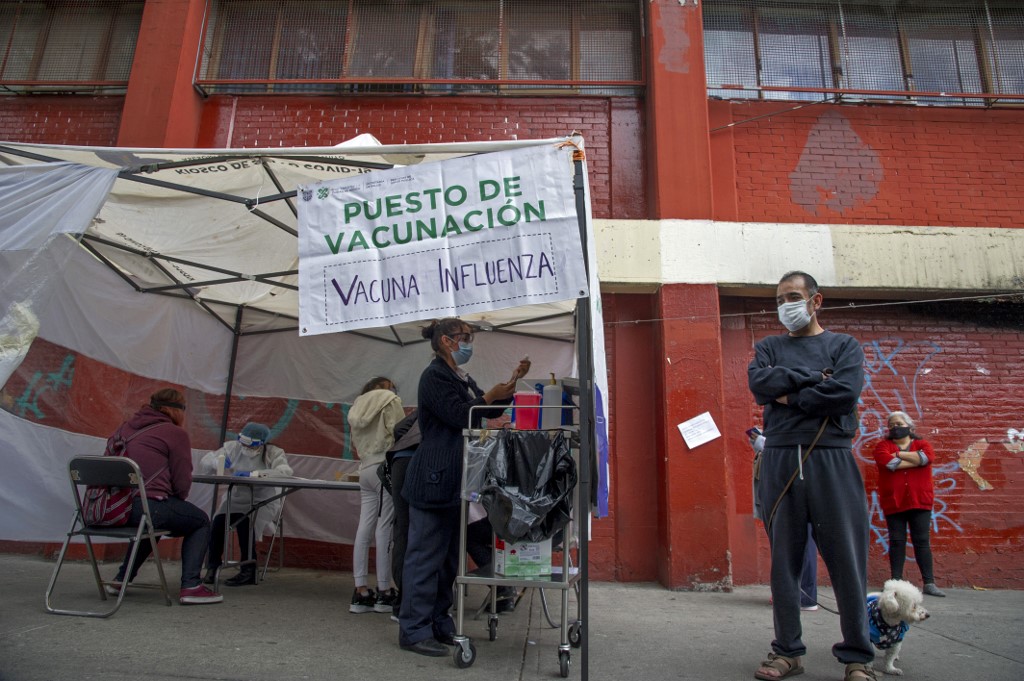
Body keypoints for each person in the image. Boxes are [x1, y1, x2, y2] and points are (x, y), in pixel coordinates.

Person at [748, 271, 875, 681]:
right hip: (781, 458)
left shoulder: (843, 346)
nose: (786, 305)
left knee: (846, 561)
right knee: (784, 561)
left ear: (816, 300)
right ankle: (787, 651)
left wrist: (788, 394)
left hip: (831, 458)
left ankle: (858, 657)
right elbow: (759, 384)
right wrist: (816, 382)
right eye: (780, 298)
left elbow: (845, 393)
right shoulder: (768, 346)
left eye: (794, 296)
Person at [398, 318, 529, 657]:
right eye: (465, 337)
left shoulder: (461, 377)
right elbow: (460, 415)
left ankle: (439, 622)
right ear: (447, 341)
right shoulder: (435, 376)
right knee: (425, 558)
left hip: (455, 480)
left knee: (447, 561)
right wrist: (489, 396)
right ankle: (413, 629)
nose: (469, 343)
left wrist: (509, 388)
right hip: (433, 477)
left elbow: (481, 410)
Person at [108, 388, 222, 605]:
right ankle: (191, 585)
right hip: (145, 507)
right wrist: (178, 497)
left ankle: (122, 579)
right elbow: (182, 480)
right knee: (199, 521)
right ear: (176, 411)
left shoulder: (124, 429)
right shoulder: (174, 433)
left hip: (112, 508)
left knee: (153, 519)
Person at [198, 422, 293, 587]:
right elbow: (206, 462)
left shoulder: (273, 453)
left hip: (263, 500)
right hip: (236, 497)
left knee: (245, 524)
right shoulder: (232, 448)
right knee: (217, 524)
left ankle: (248, 570)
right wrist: (215, 463)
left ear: (262, 443)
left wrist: (255, 474)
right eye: (243, 444)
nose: (245, 448)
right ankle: (213, 567)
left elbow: (285, 472)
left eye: (251, 446)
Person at [872, 411, 945, 597]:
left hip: (920, 500)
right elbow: (890, 464)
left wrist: (898, 456)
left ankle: (929, 583)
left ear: (910, 427)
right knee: (897, 541)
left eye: (899, 423)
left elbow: (927, 458)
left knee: (921, 541)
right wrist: (914, 459)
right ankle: (894, 582)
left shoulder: (923, 444)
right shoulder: (882, 446)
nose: (895, 427)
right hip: (893, 501)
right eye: (892, 425)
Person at [347, 376, 405, 614]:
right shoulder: (391, 400)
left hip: (365, 468)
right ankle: (384, 590)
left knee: (364, 529)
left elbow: (355, 441)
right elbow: (400, 431)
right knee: (384, 528)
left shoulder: (356, 406)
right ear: (384, 388)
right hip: (385, 467)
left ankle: (360, 589)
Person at [750, 428, 819, 611]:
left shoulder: (804, 432)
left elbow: (793, 454)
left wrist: (764, 443)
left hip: (795, 494)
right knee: (790, 546)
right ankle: (794, 593)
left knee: (801, 546)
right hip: (785, 494)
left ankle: (803, 595)